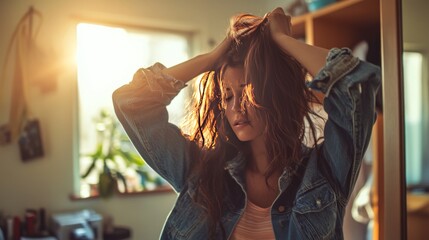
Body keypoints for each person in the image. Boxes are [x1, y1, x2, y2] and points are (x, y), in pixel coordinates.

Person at [113, 7, 381, 240]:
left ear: (274, 94)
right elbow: (132, 103)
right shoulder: (200, 171)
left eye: (248, 92)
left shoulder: (324, 172)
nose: (236, 108)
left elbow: (356, 84)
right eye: (227, 96)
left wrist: (282, 40)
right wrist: (211, 58)